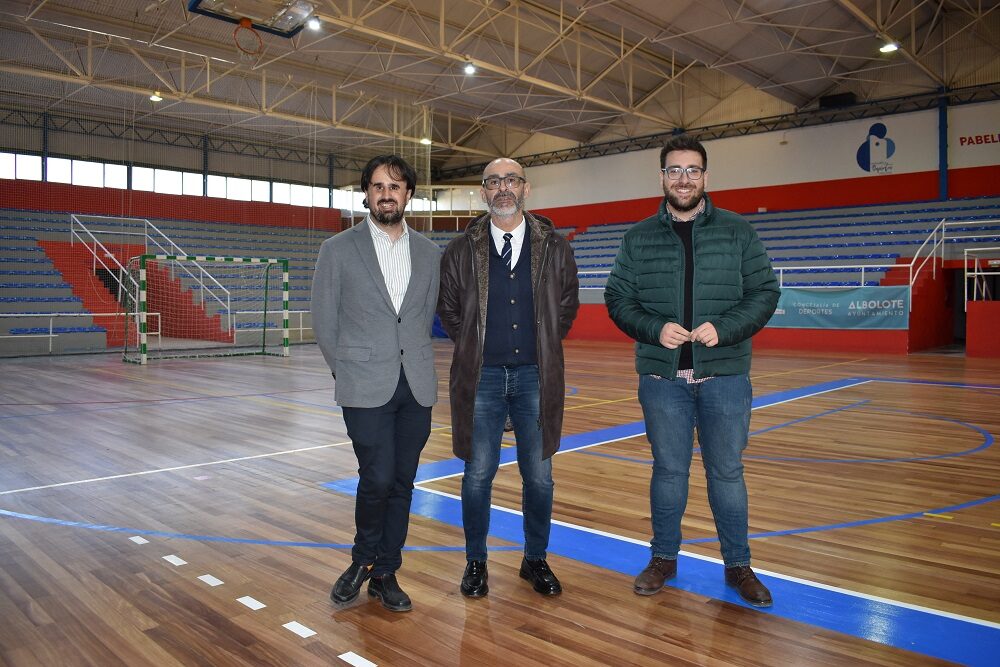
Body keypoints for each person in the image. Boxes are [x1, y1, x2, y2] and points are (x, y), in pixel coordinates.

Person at [604, 135, 780, 607]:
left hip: (725, 376)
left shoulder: (738, 232)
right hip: (663, 381)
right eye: (674, 170)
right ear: (662, 177)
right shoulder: (638, 237)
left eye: (692, 170)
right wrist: (653, 328)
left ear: (705, 176)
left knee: (727, 474)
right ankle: (663, 557)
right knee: (668, 473)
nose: (683, 179)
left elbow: (765, 293)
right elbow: (618, 299)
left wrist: (723, 329)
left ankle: (738, 565)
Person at [438, 157, 579, 598]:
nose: (503, 188)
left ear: (526, 188)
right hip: (481, 377)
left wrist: (544, 341)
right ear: (483, 192)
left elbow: (567, 306)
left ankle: (534, 559)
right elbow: (449, 311)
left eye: (511, 181)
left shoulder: (555, 246)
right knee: (478, 474)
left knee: (539, 477)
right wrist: (477, 346)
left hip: (537, 376)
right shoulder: (461, 249)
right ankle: (476, 562)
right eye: (494, 182)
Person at [311, 154, 441, 613]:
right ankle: (362, 560)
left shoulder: (429, 252)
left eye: (397, 186)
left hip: (416, 385)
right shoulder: (338, 249)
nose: (388, 194)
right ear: (366, 192)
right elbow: (324, 321)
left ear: (409, 194)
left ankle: (386, 572)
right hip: (364, 383)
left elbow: (422, 317)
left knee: (403, 482)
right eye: (379, 186)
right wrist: (344, 371)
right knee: (377, 477)